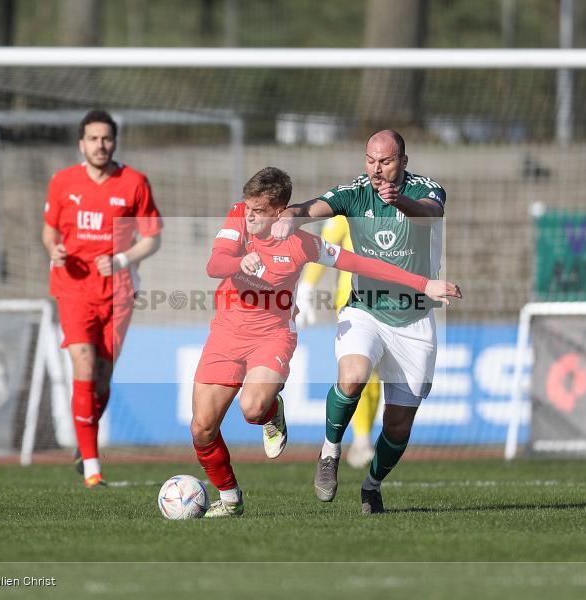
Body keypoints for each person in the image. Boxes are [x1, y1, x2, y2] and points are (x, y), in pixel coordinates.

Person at [192, 166, 460, 518]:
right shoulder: (238, 217)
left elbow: (361, 263)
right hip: (226, 332)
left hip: (271, 334)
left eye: (258, 210)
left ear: (279, 212)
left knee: (253, 408)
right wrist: (239, 260)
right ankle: (230, 498)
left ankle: (272, 413)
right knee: (202, 428)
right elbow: (214, 264)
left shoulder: (303, 244)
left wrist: (424, 284)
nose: (249, 215)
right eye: (247, 207)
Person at [272, 129, 452, 514]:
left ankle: (372, 485)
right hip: (365, 309)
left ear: (403, 161)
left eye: (385, 161)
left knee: (399, 423)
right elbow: (314, 206)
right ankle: (329, 451)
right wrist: (291, 217)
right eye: (370, 160)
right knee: (352, 376)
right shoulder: (355, 192)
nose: (376, 169)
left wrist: (400, 201)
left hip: (414, 319)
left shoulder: (427, 189)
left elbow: (431, 214)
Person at [42, 109, 162, 488]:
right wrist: (54, 249)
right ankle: (92, 467)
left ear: (115, 142)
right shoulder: (62, 182)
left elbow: (152, 238)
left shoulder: (134, 183)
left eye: (106, 138)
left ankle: (84, 443)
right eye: (93, 139)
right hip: (74, 287)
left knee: (102, 376)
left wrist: (121, 259)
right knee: (83, 362)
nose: (100, 145)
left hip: (118, 292)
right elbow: (48, 231)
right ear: (82, 144)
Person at [296, 216, 381, 469]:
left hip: (389, 302)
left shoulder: (395, 210)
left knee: (376, 376)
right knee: (362, 370)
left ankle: (363, 438)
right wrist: (307, 288)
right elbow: (323, 247)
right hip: (352, 303)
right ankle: (361, 440)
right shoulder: (348, 210)